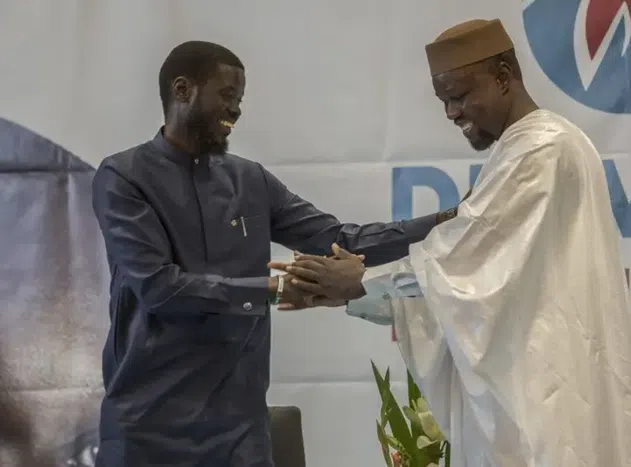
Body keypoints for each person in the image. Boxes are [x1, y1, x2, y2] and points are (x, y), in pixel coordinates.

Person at [269, 19, 631, 467]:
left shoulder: (541, 149)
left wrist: (359, 283)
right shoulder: (526, 148)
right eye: (444, 101)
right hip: (541, 385)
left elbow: (462, 270)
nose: (452, 113)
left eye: (460, 96)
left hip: (549, 395)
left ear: (503, 77)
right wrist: (349, 291)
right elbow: (468, 284)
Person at [90, 40, 462, 467]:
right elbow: (160, 288)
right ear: (182, 89)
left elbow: (341, 239)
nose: (236, 110)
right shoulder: (123, 177)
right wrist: (275, 289)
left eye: (240, 99)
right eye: (227, 95)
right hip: (148, 429)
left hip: (240, 433)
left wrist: (449, 220)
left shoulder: (250, 180)